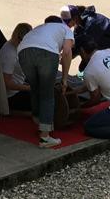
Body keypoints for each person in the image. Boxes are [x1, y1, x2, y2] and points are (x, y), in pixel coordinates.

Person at [17, 16, 74, 148]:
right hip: (47, 53)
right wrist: (64, 79)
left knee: (35, 89)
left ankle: (38, 120)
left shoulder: (39, 28)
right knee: (47, 94)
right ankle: (45, 137)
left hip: (23, 52)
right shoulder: (65, 28)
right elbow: (66, 52)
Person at [64, 4, 110, 69]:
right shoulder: (80, 24)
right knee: (81, 44)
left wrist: (68, 53)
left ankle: (101, 66)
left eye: (68, 22)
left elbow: (85, 42)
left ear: (75, 18)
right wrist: (66, 54)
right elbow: (75, 43)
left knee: (84, 45)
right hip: (104, 39)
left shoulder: (92, 22)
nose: (68, 25)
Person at [0, 21, 32, 107]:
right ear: (18, 38)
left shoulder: (15, 46)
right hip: (11, 95)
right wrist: (29, 88)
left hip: (20, 83)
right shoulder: (10, 54)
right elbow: (7, 83)